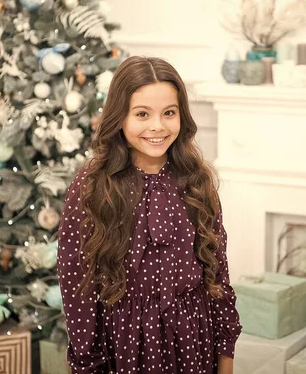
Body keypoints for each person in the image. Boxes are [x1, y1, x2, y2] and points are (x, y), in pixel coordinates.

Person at [57, 56, 242, 373]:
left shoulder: (197, 181)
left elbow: (217, 272)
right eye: (142, 114)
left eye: (169, 113)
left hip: (193, 341)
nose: (158, 126)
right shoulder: (92, 187)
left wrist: (225, 355)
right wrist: (88, 361)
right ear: (120, 117)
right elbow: (78, 286)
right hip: (125, 345)